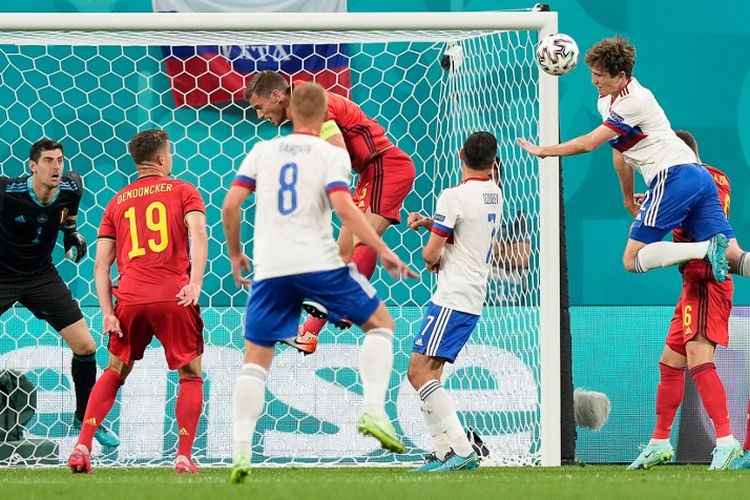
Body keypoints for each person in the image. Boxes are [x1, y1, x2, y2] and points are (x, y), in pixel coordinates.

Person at [223, 83, 416, 484]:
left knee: (254, 362)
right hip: (316, 258)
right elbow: (342, 201)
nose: (259, 115)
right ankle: (373, 407)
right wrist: (386, 250)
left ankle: (240, 449)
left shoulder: (267, 150)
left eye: (260, 107)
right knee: (371, 304)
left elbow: (230, 205)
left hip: (275, 261)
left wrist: (235, 254)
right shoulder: (325, 151)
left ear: (282, 99)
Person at [517, 36, 750, 284]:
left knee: (632, 260)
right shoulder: (606, 99)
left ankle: (705, 249)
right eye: (592, 73)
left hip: (674, 176)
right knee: (734, 257)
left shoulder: (635, 100)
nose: (593, 80)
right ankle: (712, 249)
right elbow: (620, 152)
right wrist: (628, 198)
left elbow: (589, 143)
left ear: (620, 75)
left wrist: (544, 150)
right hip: (697, 177)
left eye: (600, 75)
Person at [243, 71, 416, 354]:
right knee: (347, 248)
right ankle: (310, 332)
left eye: (259, 107)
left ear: (277, 95)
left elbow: (337, 152)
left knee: (356, 242)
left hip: (386, 167)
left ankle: (338, 304)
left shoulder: (308, 103)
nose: (260, 115)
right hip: (372, 174)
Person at [67, 130, 208, 474]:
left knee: (115, 371)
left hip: (129, 300)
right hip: (173, 296)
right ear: (162, 159)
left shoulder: (116, 202)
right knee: (190, 375)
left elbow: (101, 265)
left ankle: (83, 446)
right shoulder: (183, 191)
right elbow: (199, 233)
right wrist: (194, 283)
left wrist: (106, 312)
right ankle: (183, 455)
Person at [621, 130, 741, 470]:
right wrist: (658, 198)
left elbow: (682, 209)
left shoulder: (687, 180)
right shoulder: (717, 176)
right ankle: (659, 442)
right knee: (670, 362)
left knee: (698, 359)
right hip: (694, 280)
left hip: (706, 277)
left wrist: (655, 206)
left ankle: (726, 441)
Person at [0, 138, 119, 449]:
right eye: (48, 161)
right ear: (33, 166)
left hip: (41, 276)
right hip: (3, 276)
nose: (56, 167)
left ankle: (85, 418)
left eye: (59, 160)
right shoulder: (6, 191)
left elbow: (68, 215)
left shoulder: (71, 186)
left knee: (86, 345)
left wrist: (70, 234)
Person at [405, 131, 502, 472]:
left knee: (417, 373)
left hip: (452, 296)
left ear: (460, 153)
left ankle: (462, 451)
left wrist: (430, 253)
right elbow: (466, 231)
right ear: (494, 161)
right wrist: (432, 224)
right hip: (471, 295)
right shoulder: (494, 193)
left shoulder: (453, 195)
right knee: (431, 374)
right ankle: (443, 452)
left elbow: (432, 252)